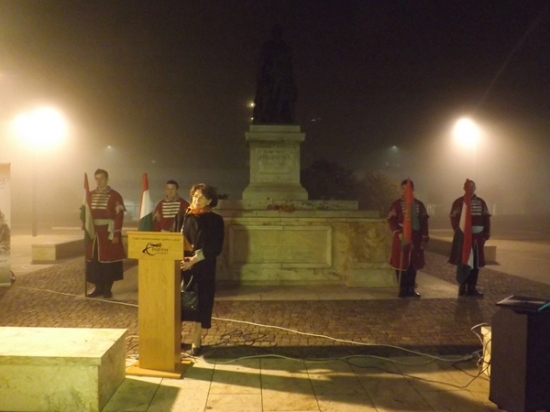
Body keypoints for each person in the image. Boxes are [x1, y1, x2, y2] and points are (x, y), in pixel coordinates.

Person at [174, 183, 224, 356]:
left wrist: (194, 260)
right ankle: (176, 338)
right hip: (181, 264)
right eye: (195, 196)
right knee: (178, 303)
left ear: (209, 201)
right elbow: (173, 239)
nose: (197, 199)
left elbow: (215, 247)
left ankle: (196, 340)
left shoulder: (215, 220)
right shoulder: (182, 216)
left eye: (202, 197)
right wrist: (180, 259)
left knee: (200, 303)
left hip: (203, 266)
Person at [84, 169, 126, 299]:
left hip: (108, 232)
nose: (99, 181)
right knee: (94, 261)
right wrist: (85, 226)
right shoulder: (89, 195)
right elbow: (86, 213)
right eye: (96, 179)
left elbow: (119, 216)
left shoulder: (115, 196)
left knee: (109, 262)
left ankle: (107, 289)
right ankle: (98, 288)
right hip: (93, 233)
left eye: (101, 178)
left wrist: (117, 233)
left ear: (107, 179)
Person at [387, 179, 430, 298]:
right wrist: (398, 233)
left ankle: (411, 288)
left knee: (413, 264)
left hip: (416, 237)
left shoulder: (419, 205)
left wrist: (424, 237)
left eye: (408, 189)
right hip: (401, 236)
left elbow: (424, 222)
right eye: (403, 189)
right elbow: (391, 220)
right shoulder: (396, 204)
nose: (406, 191)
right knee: (400, 263)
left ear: (413, 189)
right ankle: (402, 289)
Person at [449, 179, 491, 297]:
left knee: (475, 263)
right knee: (464, 261)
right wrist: (459, 232)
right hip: (463, 238)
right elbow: (454, 218)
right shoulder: (458, 202)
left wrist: (486, 234)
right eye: (468, 187)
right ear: (464, 188)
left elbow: (486, 218)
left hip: (477, 237)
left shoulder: (481, 202)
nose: (471, 189)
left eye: (473, 187)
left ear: (475, 188)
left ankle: (472, 288)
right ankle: (462, 287)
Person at [253, 24, 297, 124]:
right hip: (269, 76)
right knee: (266, 96)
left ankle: (283, 118)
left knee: (285, 97)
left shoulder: (285, 47)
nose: (277, 34)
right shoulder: (267, 46)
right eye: (275, 32)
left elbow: (289, 65)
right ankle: (265, 117)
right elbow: (262, 62)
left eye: (278, 32)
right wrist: (262, 76)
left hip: (283, 77)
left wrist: (291, 80)